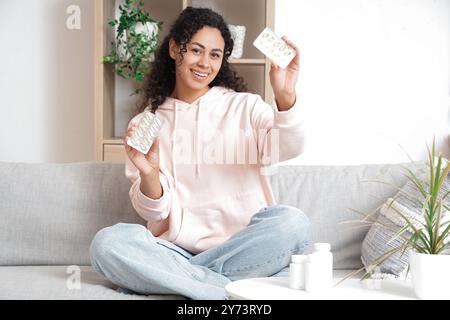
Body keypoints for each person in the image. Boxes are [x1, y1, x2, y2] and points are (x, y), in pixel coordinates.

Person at [89, 6, 311, 300]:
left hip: (244, 244)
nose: (204, 63)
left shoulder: (247, 107)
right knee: (107, 244)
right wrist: (149, 172)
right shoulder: (146, 123)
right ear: (174, 49)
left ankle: (180, 280)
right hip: (175, 250)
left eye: (215, 54)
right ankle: (228, 288)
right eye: (196, 50)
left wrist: (284, 95)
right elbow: (153, 212)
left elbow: (289, 147)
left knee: (294, 223)